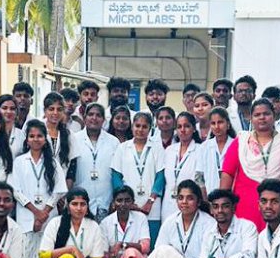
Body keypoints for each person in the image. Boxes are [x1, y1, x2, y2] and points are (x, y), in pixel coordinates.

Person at [219, 98, 280, 230]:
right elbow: (228, 173)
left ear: (274, 116)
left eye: (266, 114)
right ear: (251, 118)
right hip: (244, 203)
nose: (262, 118)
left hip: (274, 203)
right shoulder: (242, 141)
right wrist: (223, 202)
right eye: (257, 115)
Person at [11, 120, 68, 258]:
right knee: (26, 251)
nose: (36, 139)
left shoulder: (53, 162)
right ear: (27, 140)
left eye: (40, 136)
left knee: (46, 250)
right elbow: (15, 190)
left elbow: (60, 189)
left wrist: (45, 212)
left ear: (45, 139)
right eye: (32, 136)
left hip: (48, 215)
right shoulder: (19, 162)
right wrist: (36, 212)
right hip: (27, 214)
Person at [112, 112, 164, 246]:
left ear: (150, 129)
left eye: (144, 127)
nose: (140, 130)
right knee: (131, 240)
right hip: (128, 205)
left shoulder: (157, 148)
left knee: (150, 242)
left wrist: (150, 201)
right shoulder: (122, 148)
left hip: (151, 206)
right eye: (137, 126)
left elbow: (160, 176)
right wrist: (128, 202)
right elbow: (116, 176)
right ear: (132, 126)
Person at [69, 103, 121, 218]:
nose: (94, 118)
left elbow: (117, 173)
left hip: (106, 201)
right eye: (91, 114)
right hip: (80, 202)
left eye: (98, 115)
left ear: (103, 119)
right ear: (85, 117)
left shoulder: (113, 142)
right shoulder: (73, 139)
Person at [159, 112, 207, 220]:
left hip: (190, 202)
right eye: (179, 126)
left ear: (194, 128)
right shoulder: (169, 150)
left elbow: (200, 180)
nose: (182, 130)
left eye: (187, 126)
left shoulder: (201, 150)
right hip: (168, 203)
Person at [200, 107, 236, 195]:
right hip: (209, 197)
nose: (217, 126)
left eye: (220, 122)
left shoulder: (236, 145)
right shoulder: (204, 147)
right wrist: (205, 200)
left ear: (228, 124)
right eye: (213, 123)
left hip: (231, 197)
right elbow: (199, 177)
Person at [42, 91, 73, 169]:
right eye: (51, 109)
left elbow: (73, 161)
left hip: (62, 177)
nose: (55, 113)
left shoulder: (68, 134)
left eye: (59, 109)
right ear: (45, 111)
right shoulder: (37, 130)